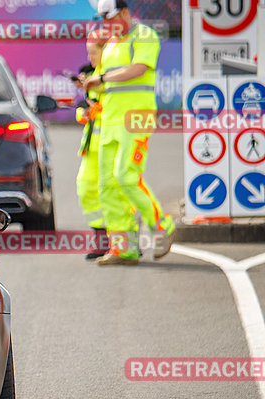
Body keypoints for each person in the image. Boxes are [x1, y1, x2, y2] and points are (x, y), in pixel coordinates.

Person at [83, 0, 175, 266]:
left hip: (136, 119)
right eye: (102, 19)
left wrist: (100, 80)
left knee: (126, 177)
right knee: (107, 186)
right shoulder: (111, 43)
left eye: (110, 18)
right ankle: (124, 249)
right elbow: (105, 80)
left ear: (124, 12)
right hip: (111, 121)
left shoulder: (145, 36)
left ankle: (163, 225)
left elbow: (138, 69)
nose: (106, 24)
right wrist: (91, 85)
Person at [74, 31, 109, 259]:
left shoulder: (110, 76)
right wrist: (84, 112)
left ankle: (120, 240)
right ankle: (101, 239)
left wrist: (97, 110)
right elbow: (82, 107)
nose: (90, 57)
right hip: (92, 147)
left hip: (110, 144)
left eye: (93, 52)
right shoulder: (92, 75)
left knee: (112, 192)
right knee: (86, 188)